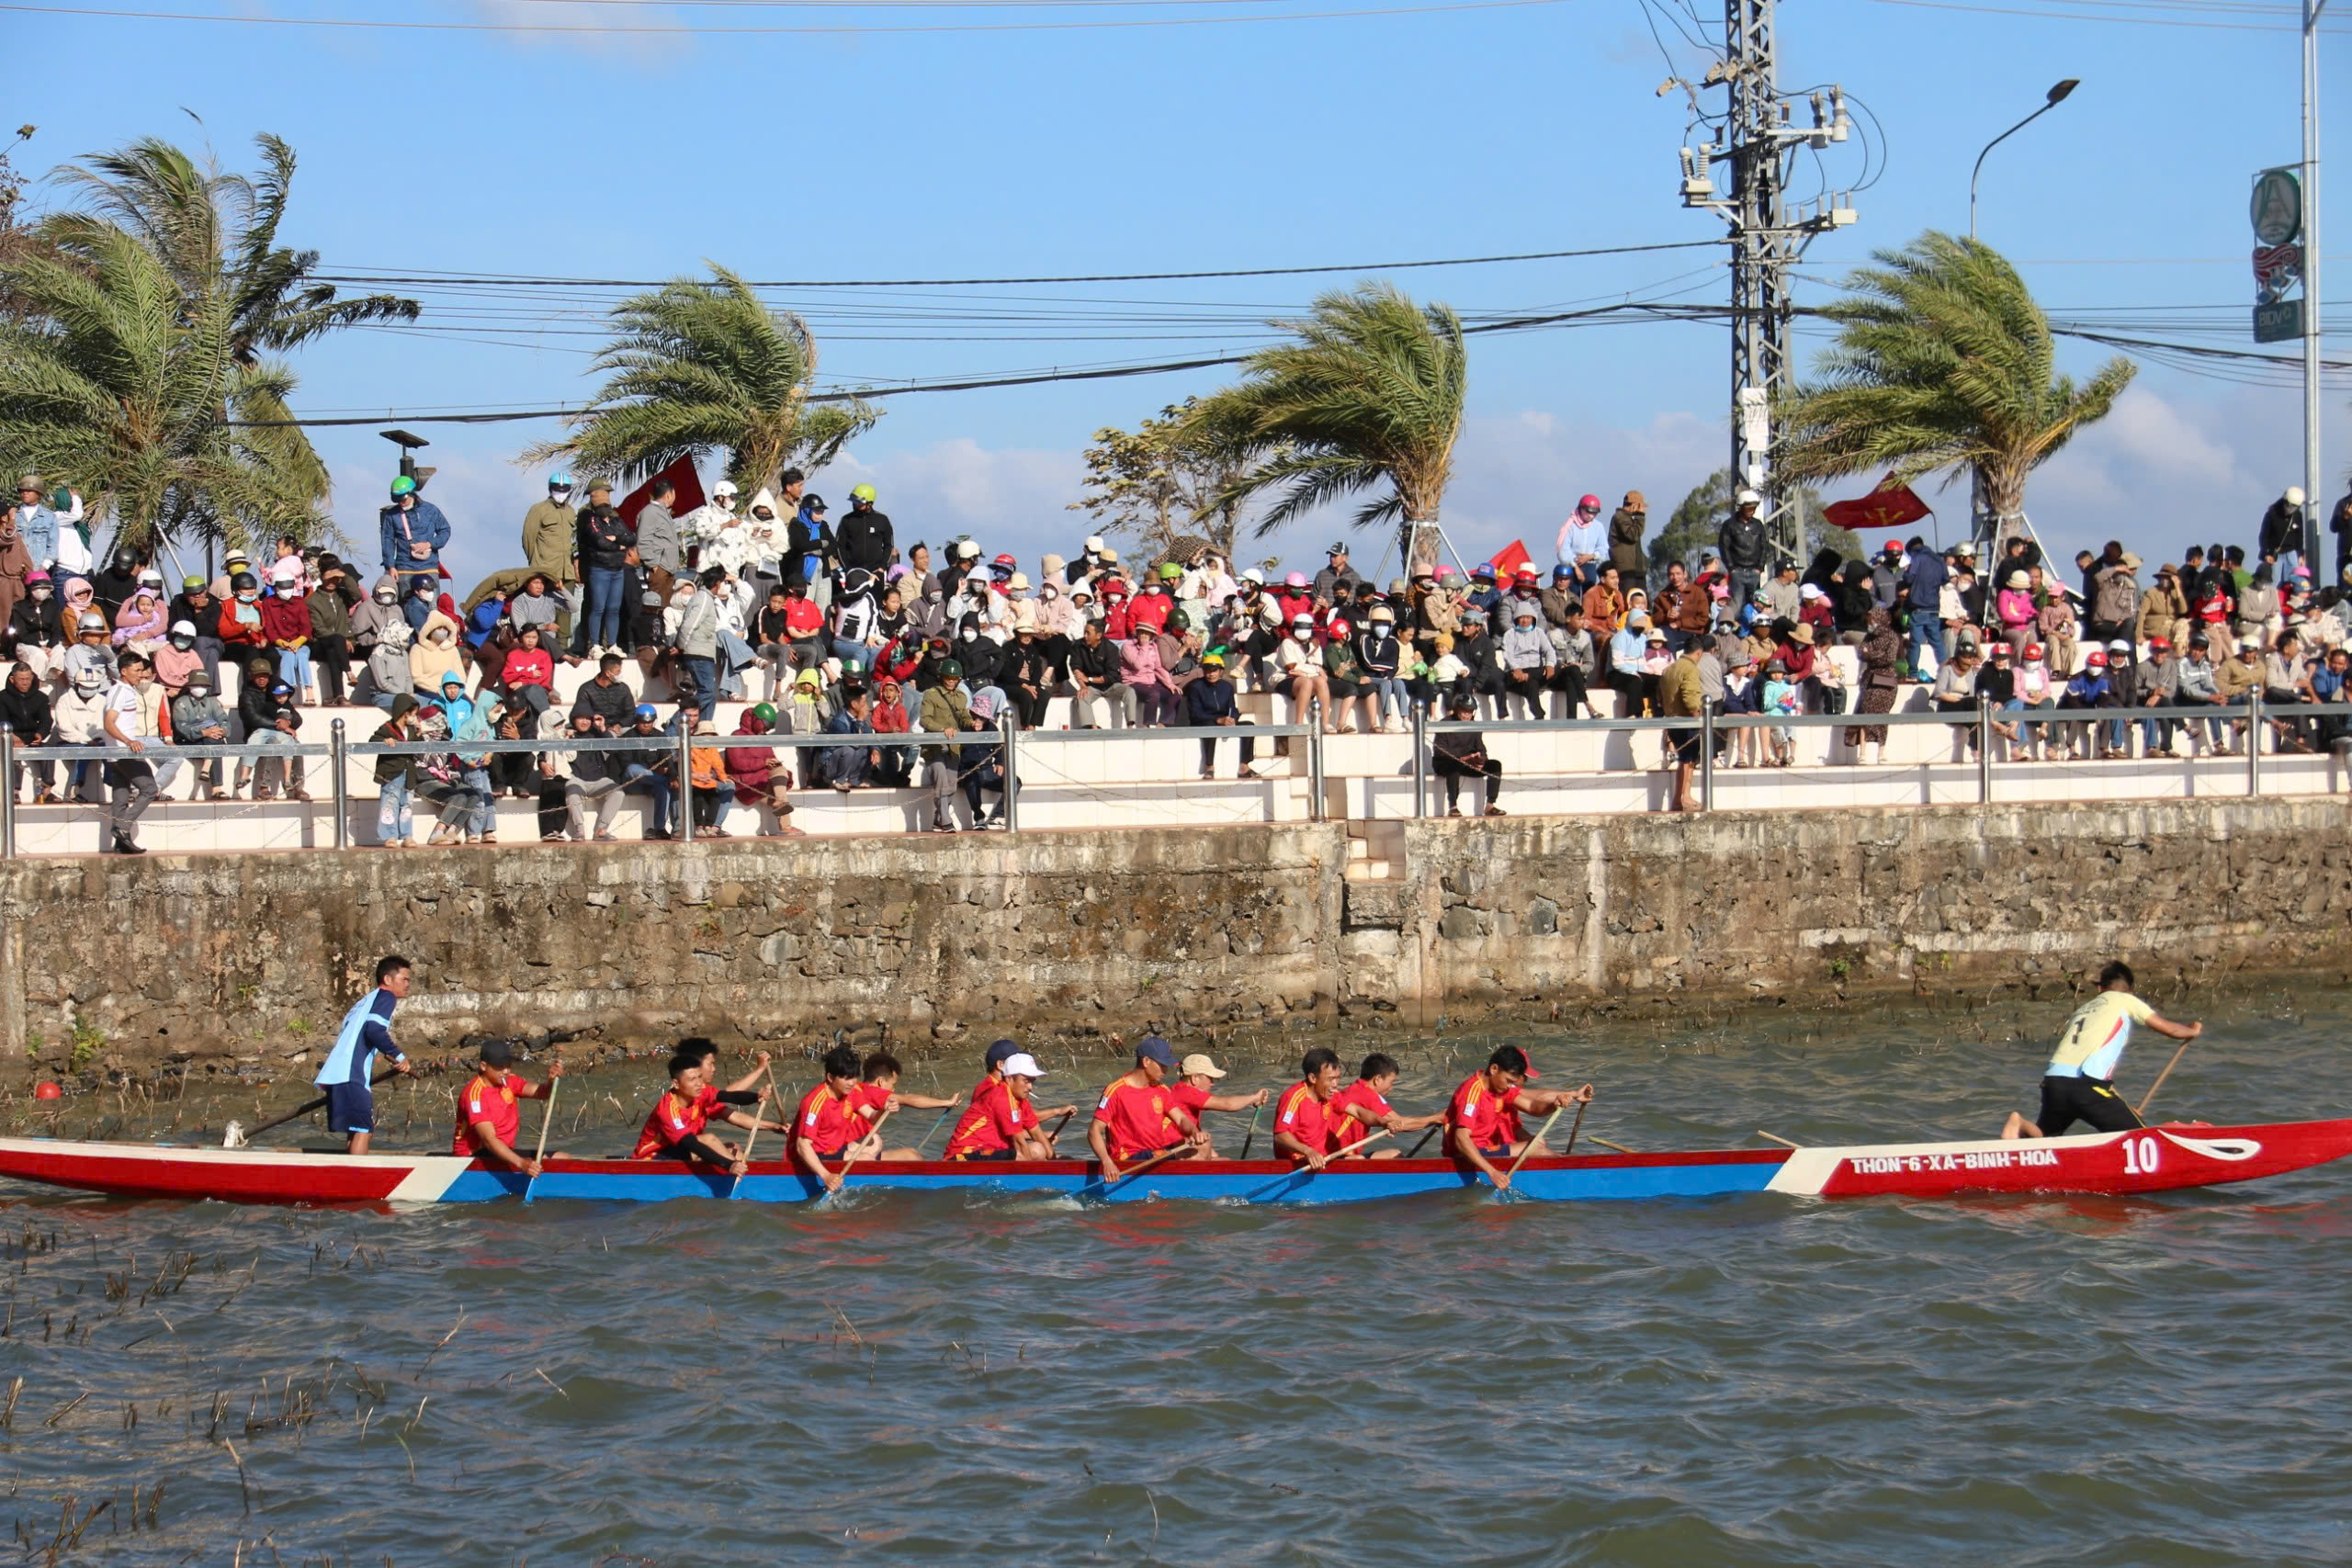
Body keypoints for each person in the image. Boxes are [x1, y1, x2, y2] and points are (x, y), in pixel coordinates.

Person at [2000, 961, 2202, 1140]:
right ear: (2130, 990)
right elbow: (2171, 1029)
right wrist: (2191, 1031)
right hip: (2085, 1086)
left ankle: (2020, 1124)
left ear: (2099, 989)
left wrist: (2119, 1108)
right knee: (2138, 1137)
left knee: (2045, 1138)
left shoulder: (2083, 1009)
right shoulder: (2125, 1000)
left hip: (2053, 1082)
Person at [1443, 1045, 1595, 1191]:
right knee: (1534, 1147)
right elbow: (1461, 1139)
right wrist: (1492, 1172)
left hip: (1486, 1149)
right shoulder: (1473, 1091)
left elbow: (1532, 1107)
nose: (1511, 1086)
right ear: (1494, 1069)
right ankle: (1574, 1171)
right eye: (1509, 1080)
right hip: (1468, 1153)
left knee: (1537, 1141)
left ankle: (1566, 1166)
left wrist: (1555, 1105)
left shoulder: (1500, 1088)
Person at [314, 955, 419, 1156]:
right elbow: (374, 1030)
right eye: (404, 979)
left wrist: (387, 1054)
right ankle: (355, 1180)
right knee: (364, 1130)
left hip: (338, 1075)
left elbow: (362, 1035)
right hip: (351, 1074)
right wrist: (398, 1056)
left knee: (357, 1130)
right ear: (388, 980)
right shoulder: (387, 997)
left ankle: (348, 1176)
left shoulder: (365, 1001)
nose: (408, 984)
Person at [1088, 1036, 1204, 1184]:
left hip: (1155, 1153)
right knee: (1186, 1157)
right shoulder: (1116, 1091)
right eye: (1162, 1065)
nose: (1165, 1071)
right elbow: (1094, 1131)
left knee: (1199, 1150)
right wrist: (1106, 1162)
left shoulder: (1161, 1090)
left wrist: (1194, 1132)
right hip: (1128, 1158)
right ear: (1146, 1061)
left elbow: (1181, 1119)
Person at [629, 1047, 755, 1175]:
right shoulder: (667, 1110)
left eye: (699, 1077)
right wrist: (729, 1165)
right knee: (709, 1140)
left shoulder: (700, 1090)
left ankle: (744, 1171)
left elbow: (728, 1096)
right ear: (676, 1084)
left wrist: (756, 1097)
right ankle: (741, 1173)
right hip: (651, 1158)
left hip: (677, 1149)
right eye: (692, 1079)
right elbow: (691, 1143)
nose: (699, 1083)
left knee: (734, 1148)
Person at [453, 1039, 565, 1178]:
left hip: (501, 1151)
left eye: (508, 1065)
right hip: (474, 1157)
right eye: (500, 1066)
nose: (506, 1071)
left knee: (562, 1158)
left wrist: (551, 1080)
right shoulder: (475, 1095)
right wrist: (521, 1164)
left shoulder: (509, 1081)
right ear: (483, 1066)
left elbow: (542, 1093)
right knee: (547, 1162)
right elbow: (489, 1140)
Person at [944, 1051, 1075, 1161]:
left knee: (1039, 1149)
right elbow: (1020, 1146)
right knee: (1036, 1151)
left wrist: (1054, 1162)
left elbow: (1037, 1133)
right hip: (962, 1155)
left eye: (1032, 1082)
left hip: (988, 1151)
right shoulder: (1001, 1098)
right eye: (1026, 1081)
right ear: (1009, 1079)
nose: (1031, 1087)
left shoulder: (1021, 1100)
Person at [99, 652, 164, 854]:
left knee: (121, 795)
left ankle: (121, 843)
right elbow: (109, 723)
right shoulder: (120, 692)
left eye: (141, 670)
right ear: (124, 671)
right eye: (136, 671)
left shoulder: (126, 691)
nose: (140, 675)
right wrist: (128, 741)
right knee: (150, 788)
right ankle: (123, 828)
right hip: (124, 752)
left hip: (117, 753)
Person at [791, 1043, 873, 1193]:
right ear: (830, 1077)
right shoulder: (815, 1102)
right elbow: (802, 1145)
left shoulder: (850, 1091)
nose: (852, 1082)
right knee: (868, 1160)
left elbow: (871, 1115)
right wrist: (826, 1176)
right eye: (846, 1078)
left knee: (876, 1143)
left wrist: (888, 1109)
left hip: (835, 1148)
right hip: (817, 1155)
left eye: (854, 1076)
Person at [1328, 1053, 1443, 1158]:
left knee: (1393, 1154)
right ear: (1377, 1079)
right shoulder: (1367, 1094)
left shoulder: (1354, 1088)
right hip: (1336, 1157)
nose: (1391, 1088)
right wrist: (1437, 1118)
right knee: (1395, 1156)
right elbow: (1400, 1123)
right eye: (1391, 1082)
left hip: (1340, 1153)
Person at [1167, 1053, 1268, 1156]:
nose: (1212, 1083)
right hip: (1172, 1151)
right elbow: (1228, 1104)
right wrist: (1255, 1098)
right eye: (1210, 1078)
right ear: (1195, 1078)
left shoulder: (1179, 1090)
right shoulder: (1187, 1092)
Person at [1430, 691, 1503, 817]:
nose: (1467, 715)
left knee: (1495, 765)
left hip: (1467, 763)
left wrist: (1481, 760)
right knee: (1454, 766)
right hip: (1446, 763)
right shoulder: (1444, 724)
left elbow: (1481, 748)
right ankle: (1453, 806)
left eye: (1470, 712)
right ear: (1457, 710)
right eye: (1464, 711)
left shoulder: (1474, 726)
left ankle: (1490, 805)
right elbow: (1439, 751)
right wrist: (1461, 758)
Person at [379, 476, 450, 595]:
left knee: (432, 608)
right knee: (407, 607)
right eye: (397, 500)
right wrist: (390, 566)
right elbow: (388, 541)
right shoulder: (392, 515)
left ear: (412, 494)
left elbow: (445, 530)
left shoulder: (430, 510)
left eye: (403, 499)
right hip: (404, 569)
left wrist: (429, 544)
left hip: (429, 567)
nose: (401, 503)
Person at [1658, 637, 1705, 811]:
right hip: (1687, 720)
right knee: (1688, 760)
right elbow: (1691, 697)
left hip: (1672, 718)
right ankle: (1685, 797)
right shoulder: (1690, 669)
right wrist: (1697, 716)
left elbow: (1660, 695)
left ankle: (1678, 799)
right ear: (1698, 653)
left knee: (1683, 760)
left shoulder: (1669, 669)